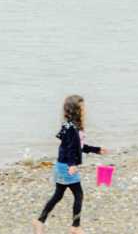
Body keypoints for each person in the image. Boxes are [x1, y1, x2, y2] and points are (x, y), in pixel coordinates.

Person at [35, 94, 105, 232]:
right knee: (78, 194)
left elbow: (78, 146)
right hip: (67, 166)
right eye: (82, 108)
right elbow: (69, 148)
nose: (84, 110)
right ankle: (75, 227)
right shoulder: (71, 128)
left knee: (58, 195)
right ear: (75, 110)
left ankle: (40, 221)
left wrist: (97, 150)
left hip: (63, 165)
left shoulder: (71, 127)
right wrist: (72, 165)